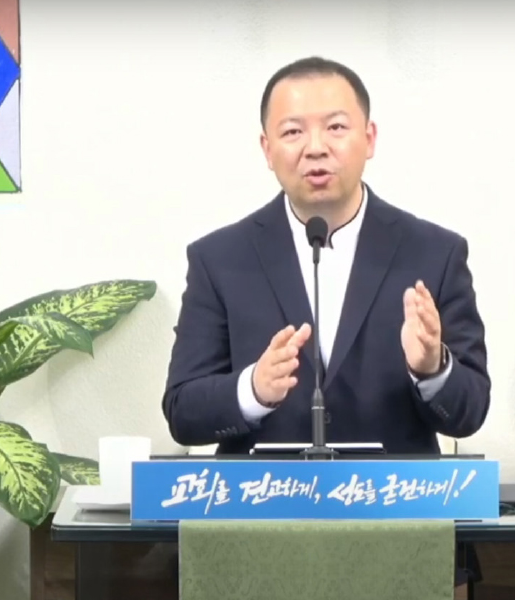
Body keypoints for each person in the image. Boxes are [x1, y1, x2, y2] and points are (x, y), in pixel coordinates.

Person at [162, 56, 490, 455]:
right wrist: (253, 389)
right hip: (264, 494)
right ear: (267, 149)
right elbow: (182, 412)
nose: (316, 148)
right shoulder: (218, 259)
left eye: (335, 127)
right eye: (293, 131)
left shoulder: (435, 253)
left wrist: (433, 368)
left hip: (392, 494)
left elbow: (471, 411)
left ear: (369, 138)